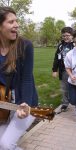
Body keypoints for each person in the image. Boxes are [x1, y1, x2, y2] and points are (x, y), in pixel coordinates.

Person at [0, 7, 38, 150]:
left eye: (16, 21)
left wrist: (26, 104)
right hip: (4, 104)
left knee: (5, 145)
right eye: (11, 22)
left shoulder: (25, 45)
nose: (17, 25)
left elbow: (27, 79)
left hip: (24, 104)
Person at [52, 27, 76, 113]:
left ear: (72, 36)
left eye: (67, 35)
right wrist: (54, 70)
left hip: (74, 70)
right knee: (64, 88)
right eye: (63, 36)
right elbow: (57, 58)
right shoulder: (61, 46)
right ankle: (65, 103)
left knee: (75, 87)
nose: (65, 37)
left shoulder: (75, 45)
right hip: (63, 70)